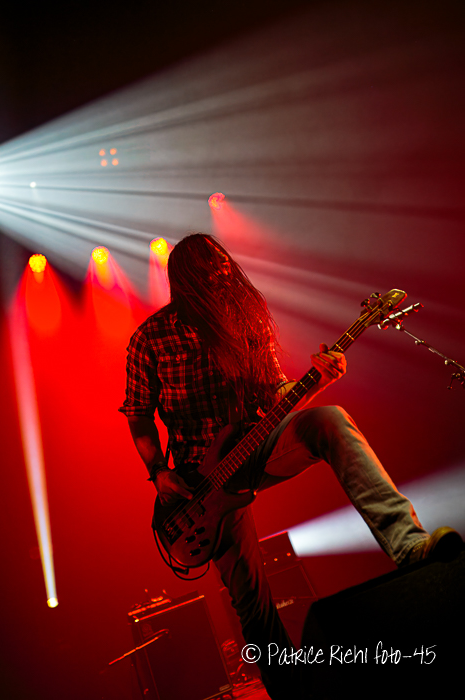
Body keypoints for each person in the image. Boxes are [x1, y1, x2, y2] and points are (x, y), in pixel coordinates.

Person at [119, 233, 461, 699]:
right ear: (187, 279)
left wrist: (317, 382)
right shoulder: (150, 338)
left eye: (225, 265)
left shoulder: (246, 317)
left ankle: (409, 546)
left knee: (329, 421)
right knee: (251, 602)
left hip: (256, 444)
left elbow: (276, 390)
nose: (224, 275)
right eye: (211, 270)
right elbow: (138, 415)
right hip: (202, 484)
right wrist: (159, 471)